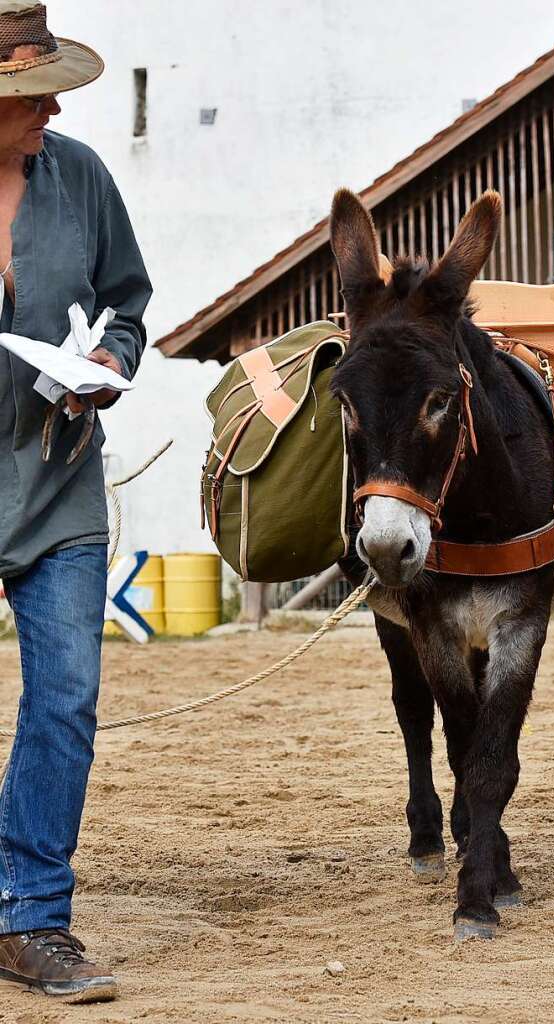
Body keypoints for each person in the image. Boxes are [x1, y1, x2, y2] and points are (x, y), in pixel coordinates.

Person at [0, 2, 151, 1004]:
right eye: (29, 91)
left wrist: (108, 359)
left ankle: (31, 916)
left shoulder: (82, 176)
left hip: (58, 484)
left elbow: (130, 302)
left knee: (66, 698)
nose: (52, 103)